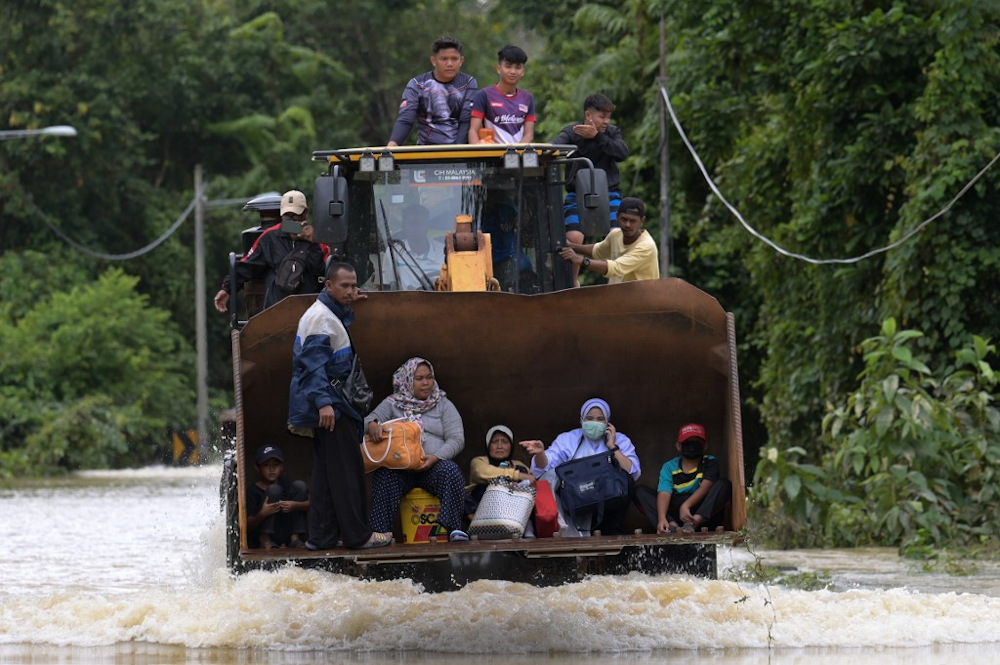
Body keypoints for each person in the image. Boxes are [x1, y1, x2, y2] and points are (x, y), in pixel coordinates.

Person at [286, 261, 392, 550]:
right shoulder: (321, 319)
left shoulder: (327, 313)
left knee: (325, 474)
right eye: (344, 286)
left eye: (354, 285)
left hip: (332, 404)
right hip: (333, 406)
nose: (350, 290)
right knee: (348, 471)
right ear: (327, 285)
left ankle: (320, 537)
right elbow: (310, 366)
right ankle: (359, 536)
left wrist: (348, 303)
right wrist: (323, 404)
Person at [364, 357, 469, 541]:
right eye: (419, 378)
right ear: (407, 381)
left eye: (429, 377)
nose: (426, 383)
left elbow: (457, 439)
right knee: (384, 475)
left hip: (432, 468)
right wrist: (372, 425)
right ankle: (380, 533)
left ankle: (451, 529)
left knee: (452, 471)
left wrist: (435, 457)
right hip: (401, 470)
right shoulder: (392, 403)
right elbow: (367, 421)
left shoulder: (443, 404)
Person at [520, 398, 641, 536]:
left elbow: (632, 472)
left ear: (607, 422)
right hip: (576, 501)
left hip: (607, 503)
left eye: (600, 419)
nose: (594, 422)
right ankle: (563, 528)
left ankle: (612, 533)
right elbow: (545, 468)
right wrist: (540, 453)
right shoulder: (569, 439)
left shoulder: (620, 439)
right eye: (589, 418)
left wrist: (613, 447)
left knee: (625, 479)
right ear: (581, 420)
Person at [552, 94, 629, 286]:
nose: (606, 121)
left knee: (616, 234)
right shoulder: (571, 132)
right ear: (588, 115)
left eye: (608, 117)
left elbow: (622, 153)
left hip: (609, 193)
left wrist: (598, 137)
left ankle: (617, 281)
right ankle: (572, 282)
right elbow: (553, 148)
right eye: (602, 117)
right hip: (576, 195)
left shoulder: (611, 133)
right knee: (574, 236)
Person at [214, 190, 326, 312]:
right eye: (287, 217)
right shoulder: (270, 237)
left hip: (310, 308)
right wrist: (227, 289)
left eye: (296, 216)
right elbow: (247, 266)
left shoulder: (318, 237)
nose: (291, 221)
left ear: (305, 213)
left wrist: (313, 242)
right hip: (277, 308)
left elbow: (323, 270)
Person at [635, 423, 731, 533]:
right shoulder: (669, 467)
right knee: (640, 492)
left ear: (705, 446)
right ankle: (670, 525)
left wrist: (686, 506)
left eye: (696, 443)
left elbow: (706, 486)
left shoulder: (710, 462)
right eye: (687, 443)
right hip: (675, 511)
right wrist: (662, 518)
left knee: (724, 485)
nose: (691, 447)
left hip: (700, 510)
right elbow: (664, 492)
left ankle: (694, 523)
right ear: (678, 446)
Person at [387, 35, 478, 146]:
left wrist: (457, 151)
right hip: (426, 151)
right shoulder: (417, 84)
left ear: (461, 61)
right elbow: (406, 119)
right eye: (444, 59)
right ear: (434, 61)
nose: (449, 64)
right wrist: (392, 146)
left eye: (454, 59)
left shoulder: (468, 82)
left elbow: (466, 120)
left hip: (459, 151)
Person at [559, 196, 659, 285]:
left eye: (632, 221)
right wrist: (571, 246)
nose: (627, 225)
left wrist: (580, 260)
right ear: (616, 216)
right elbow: (597, 250)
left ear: (642, 221)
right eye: (624, 219)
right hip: (619, 298)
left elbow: (615, 268)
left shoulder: (646, 246)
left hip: (643, 302)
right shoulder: (616, 235)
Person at [245, 444, 309, 549]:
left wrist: (295, 505)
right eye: (266, 465)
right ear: (257, 468)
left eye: (276, 465)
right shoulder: (253, 491)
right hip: (265, 535)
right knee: (274, 490)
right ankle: (266, 539)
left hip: (285, 531)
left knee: (300, 485)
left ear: (282, 467)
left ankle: (295, 538)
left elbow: (312, 504)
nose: (271, 469)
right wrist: (263, 513)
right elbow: (247, 526)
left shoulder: (288, 484)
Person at [465, 424, 534, 522]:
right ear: (488, 446)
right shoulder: (479, 460)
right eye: (495, 442)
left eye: (505, 442)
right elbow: (481, 472)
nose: (499, 446)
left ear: (511, 446)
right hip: (480, 509)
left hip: (513, 513)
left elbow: (531, 482)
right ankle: (477, 524)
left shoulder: (518, 465)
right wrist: (517, 475)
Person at [468, 45, 536, 144]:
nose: (513, 71)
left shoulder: (528, 98)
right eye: (508, 66)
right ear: (499, 68)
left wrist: (517, 153)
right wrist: (478, 150)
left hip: (517, 157)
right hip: (492, 156)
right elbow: (473, 131)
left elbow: (529, 134)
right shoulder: (483, 95)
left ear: (523, 72)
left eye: (517, 67)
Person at [392, 203, 445, 290]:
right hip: (402, 302)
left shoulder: (443, 252)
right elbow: (387, 288)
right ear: (403, 226)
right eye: (412, 224)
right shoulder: (393, 252)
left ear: (427, 226)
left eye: (420, 224)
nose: (416, 228)